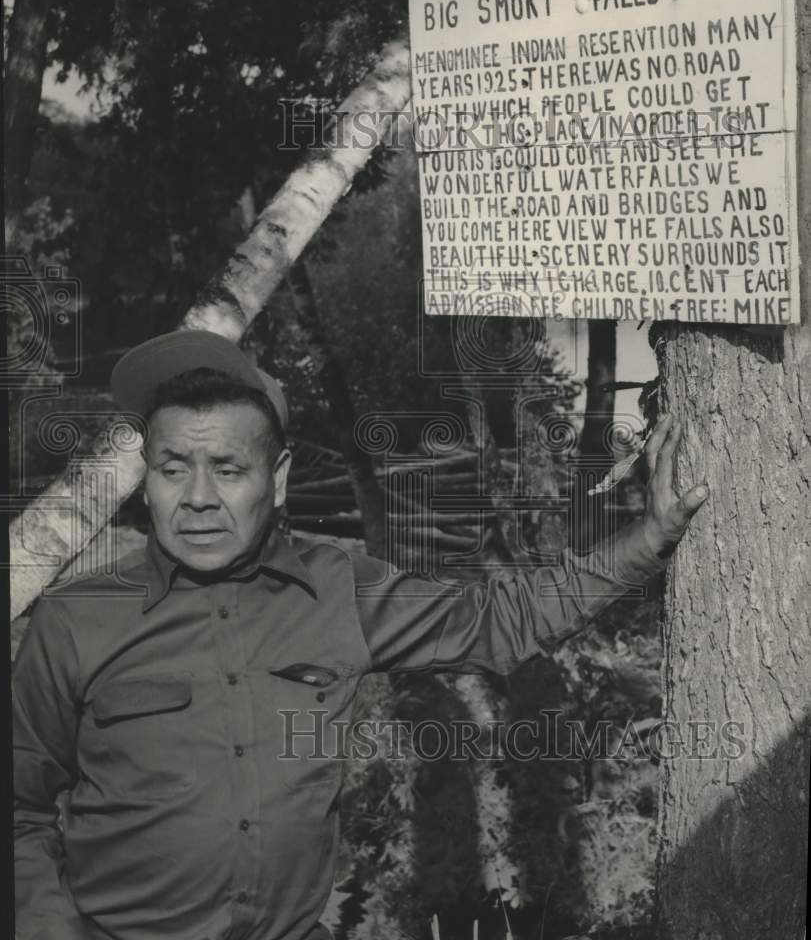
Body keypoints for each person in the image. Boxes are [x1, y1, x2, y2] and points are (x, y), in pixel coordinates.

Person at [13, 329, 709, 940]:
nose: (197, 497)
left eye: (227, 469)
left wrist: (646, 539)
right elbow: (20, 810)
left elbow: (499, 621)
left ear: (276, 479)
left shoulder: (341, 586)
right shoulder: (76, 620)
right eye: (172, 469)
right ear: (148, 481)